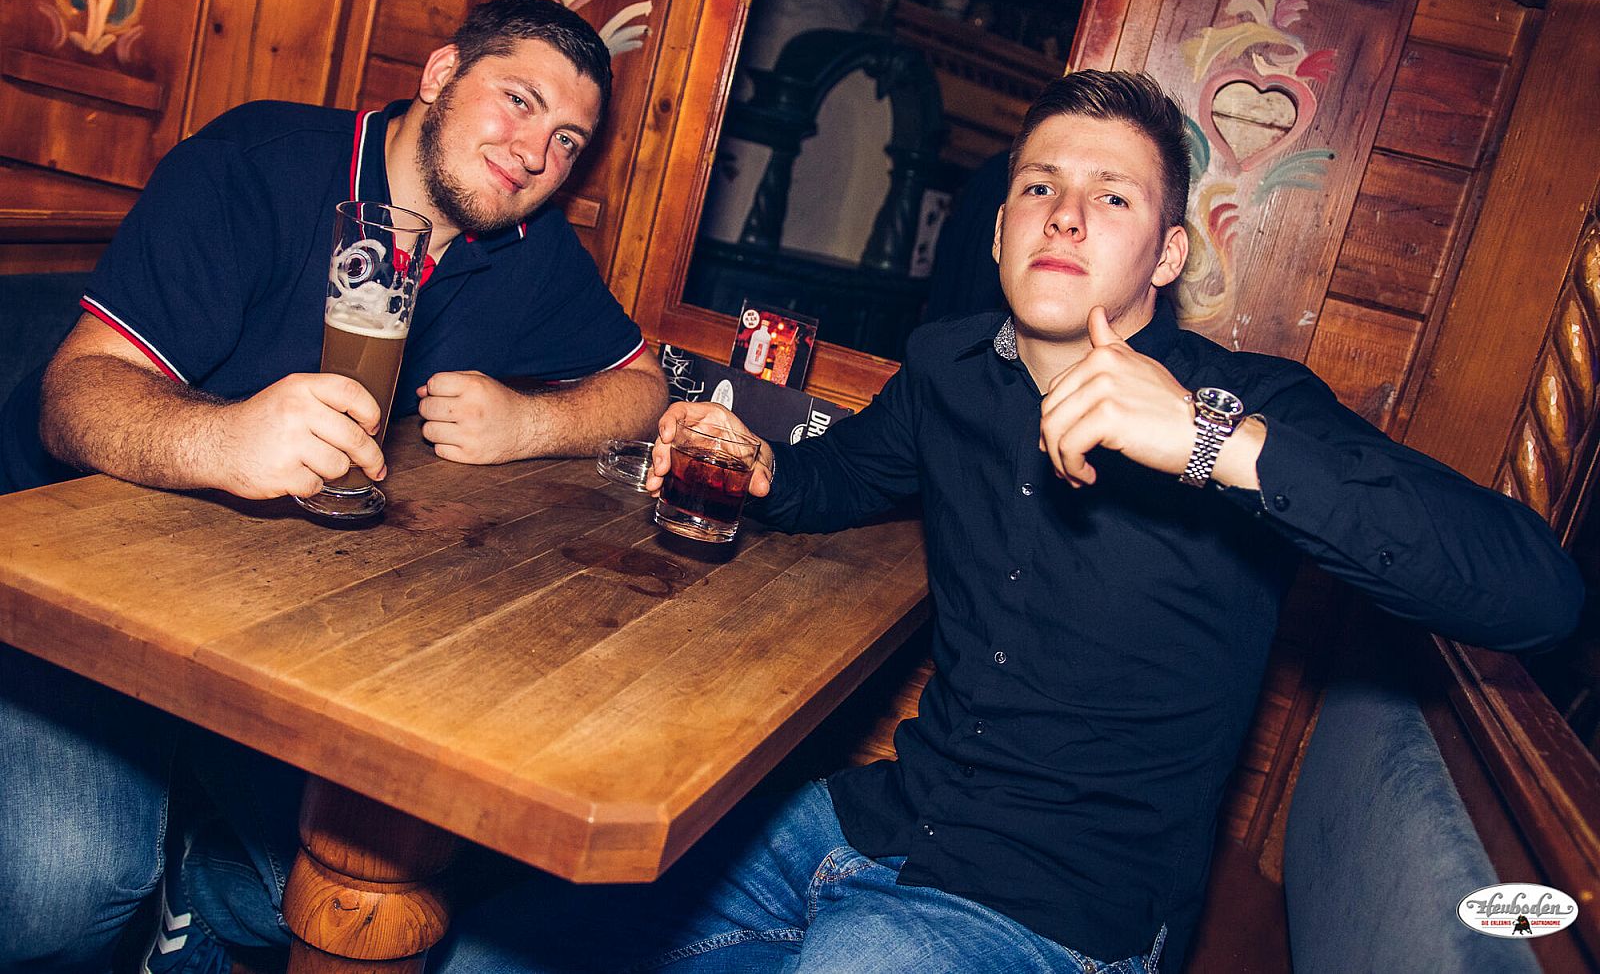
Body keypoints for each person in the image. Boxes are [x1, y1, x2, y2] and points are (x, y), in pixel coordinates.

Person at [428, 70, 1582, 974]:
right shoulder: (948, 366)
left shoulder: (1243, 404)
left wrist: (1210, 442)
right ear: (997, 232)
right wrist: (760, 463)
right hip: (875, 821)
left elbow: (1535, 589)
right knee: (488, 947)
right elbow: (843, 481)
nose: (1065, 214)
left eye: (1112, 196)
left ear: (1167, 254)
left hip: (1061, 906)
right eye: (1038, 186)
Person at [0, 0, 666, 971]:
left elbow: (645, 389)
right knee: (60, 893)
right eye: (519, 101)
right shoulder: (260, 162)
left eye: (568, 139)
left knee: (364, 893)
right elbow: (72, 396)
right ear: (440, 75)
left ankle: (193, 873)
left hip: (270, 619)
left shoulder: (527, 247)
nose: (534, 153)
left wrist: (531, 423)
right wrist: (227, 438)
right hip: (63, 579)